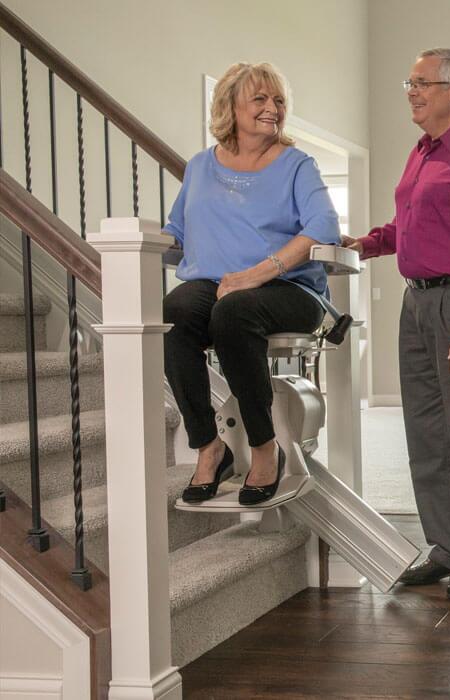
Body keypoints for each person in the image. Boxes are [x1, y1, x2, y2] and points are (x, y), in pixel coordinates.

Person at [344, 48, 450, 600]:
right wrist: (365, 244)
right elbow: (409, 225)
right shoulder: (422, 153)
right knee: (425, 432)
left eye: (421, 83)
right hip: (416, 304)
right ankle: (447, 549)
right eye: (409, 81)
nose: (411, 91)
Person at [163, 62, 341, 506]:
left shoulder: (297, 164)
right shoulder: (201, 167)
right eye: (259, 99)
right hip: (218, 284)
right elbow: (177, 232)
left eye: (278, 100)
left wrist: (257, 273)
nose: (272, 108)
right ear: (231, 107)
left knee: (234, 311)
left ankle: (264, 447)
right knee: (176, 311)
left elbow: (324, 226)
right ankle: (209, 447)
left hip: (291, 289)